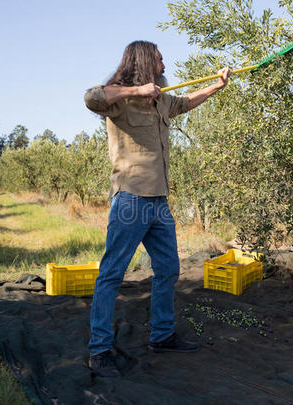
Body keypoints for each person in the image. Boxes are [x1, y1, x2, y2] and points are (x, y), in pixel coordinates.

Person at [84, 40, 231, 377]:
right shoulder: (120, 101)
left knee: (168, 269)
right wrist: (135, 89)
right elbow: (91, 97)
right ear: (145, 62)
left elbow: (187, 101)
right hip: (130, 201)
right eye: (160, 61)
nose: (165, 67)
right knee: (111, 274)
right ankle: (100, 349)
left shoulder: (163, 100)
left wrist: (217, 85)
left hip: (159, 203)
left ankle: (162, 335)